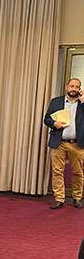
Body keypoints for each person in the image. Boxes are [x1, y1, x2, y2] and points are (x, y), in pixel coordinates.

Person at [43, 78, 84, 209]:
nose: (74, 89)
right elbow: (47, 118)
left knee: (78, 172)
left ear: (80, 89)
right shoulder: (56, 102)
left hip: (77, 144)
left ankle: (77, 197)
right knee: (57, 171)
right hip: (58, 142)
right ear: (67, 87)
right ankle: (59, 198)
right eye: (72, 86)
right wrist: (54, 124)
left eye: (77, 87)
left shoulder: (82, 103)